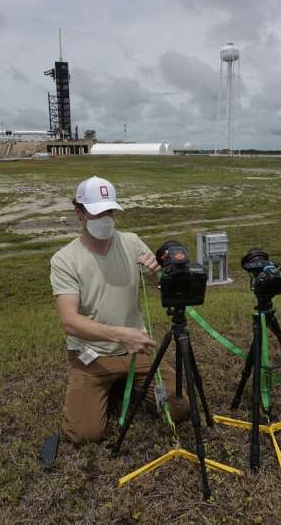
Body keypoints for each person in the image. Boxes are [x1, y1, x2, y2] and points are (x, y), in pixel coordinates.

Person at [50, 176, 189, 444]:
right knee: (84, 434)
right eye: (97, 212)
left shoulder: (132, 242)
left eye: (110, 211)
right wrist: (119, 335)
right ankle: (107, 388)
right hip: (92, 354)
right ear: (79, 213)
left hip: (135, 351)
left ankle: (128, 386)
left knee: (180, 406)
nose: (106, 218)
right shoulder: (64, 260)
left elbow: (162, 286)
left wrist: (158, 273)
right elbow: (70, 322)